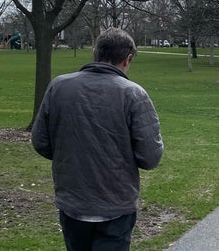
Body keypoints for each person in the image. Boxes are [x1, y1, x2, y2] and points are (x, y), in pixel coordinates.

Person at [31, 27, 164, 251]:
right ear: (128, 59)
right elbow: (150, 156)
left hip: (73, 200)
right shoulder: (133, 94)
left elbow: (41, 141)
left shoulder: (59, 86)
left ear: (95, 53)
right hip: (115, 204)